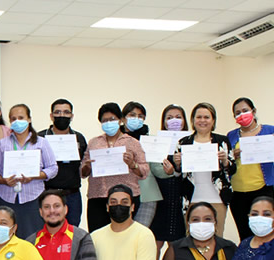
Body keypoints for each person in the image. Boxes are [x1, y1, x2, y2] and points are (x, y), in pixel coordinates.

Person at [0, 104, 57, 237]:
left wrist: (34, 176)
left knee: (33, 238)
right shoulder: (3, 143)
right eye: (13, 119)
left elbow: (53, 168)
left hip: (33, 198)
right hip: (5, 197)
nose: (17, 121)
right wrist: (3, 180)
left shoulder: (41, 143)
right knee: (4, 237)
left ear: (29, 119)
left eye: (21, 117)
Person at [227, 98, 274, 240]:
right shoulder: (231, 135)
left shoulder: (269, 130)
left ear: (254, 111)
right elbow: (227, 163)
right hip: (237, 192)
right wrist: (232, 156)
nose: (241, 115)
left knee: (267, 230)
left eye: (245, 110)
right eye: (237, 113)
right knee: (244, 233)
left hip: (262, 189)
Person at [81, 103, 147, 232]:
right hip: (98, 197)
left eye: (112, 119)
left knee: (125, 236)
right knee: (97, 236)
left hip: (124, 198)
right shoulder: (94, 142)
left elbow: (144, 171)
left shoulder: (132, 142)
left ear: (121, 120)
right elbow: (82, 173)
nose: (108, 123)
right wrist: (87, 166)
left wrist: (132, 164)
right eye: (105, 120)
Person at [172, 103, 234, 237]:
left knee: (217, 238)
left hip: (217, 198)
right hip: (191, 198)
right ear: (193, 120)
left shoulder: (222, 141)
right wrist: (177, 165)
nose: (202, 120)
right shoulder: (183, 143)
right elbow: (177, 174)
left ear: (213, 120)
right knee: (191, 239)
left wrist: (224, 161)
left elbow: (233, 169)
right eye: (198, 117)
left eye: (206, 117)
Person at [38, 99, 88, 227]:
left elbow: (83, 168)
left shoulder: (79, 138)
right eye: (58, 112)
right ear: (51, 116)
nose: (62, 116)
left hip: (71, 195)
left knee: (72, 233)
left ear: (72, 116)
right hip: (46, 193)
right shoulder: (40, 138)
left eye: (66, 113)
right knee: (44, 232)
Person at [151, 105, 193, 250]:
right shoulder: (157, 141)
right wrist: (167, 171)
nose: (174, 121)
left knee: (178, 245)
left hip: (182, 197)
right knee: (155, 242)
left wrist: (177, 170)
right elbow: (153, 168)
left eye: (178, 117)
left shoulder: (191, 142)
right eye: (169, 118)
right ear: (164, 122)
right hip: (161, 196)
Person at [121, 101, 160, 229]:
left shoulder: (150, 140)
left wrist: (173, 169)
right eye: (132, 115)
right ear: (123, 118)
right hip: (120, 195)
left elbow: (158, 170)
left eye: (140, 116)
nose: (136, 119)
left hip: (146, 195)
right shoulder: (115, 140)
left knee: (140, 235)